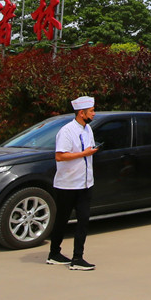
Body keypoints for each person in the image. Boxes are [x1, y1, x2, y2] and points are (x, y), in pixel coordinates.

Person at [49, 95, 100, 270]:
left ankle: (77, 258)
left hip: (85, 183)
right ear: (81, 113)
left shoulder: (88, 129)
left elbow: (88, 150)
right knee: (62, 220)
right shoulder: (66, 131)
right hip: (67, 184)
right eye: (91, 111)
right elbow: (60, 155)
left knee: (84, 220)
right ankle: (54, 253)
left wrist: (91, 151)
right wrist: (83, 154)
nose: (94, 114)